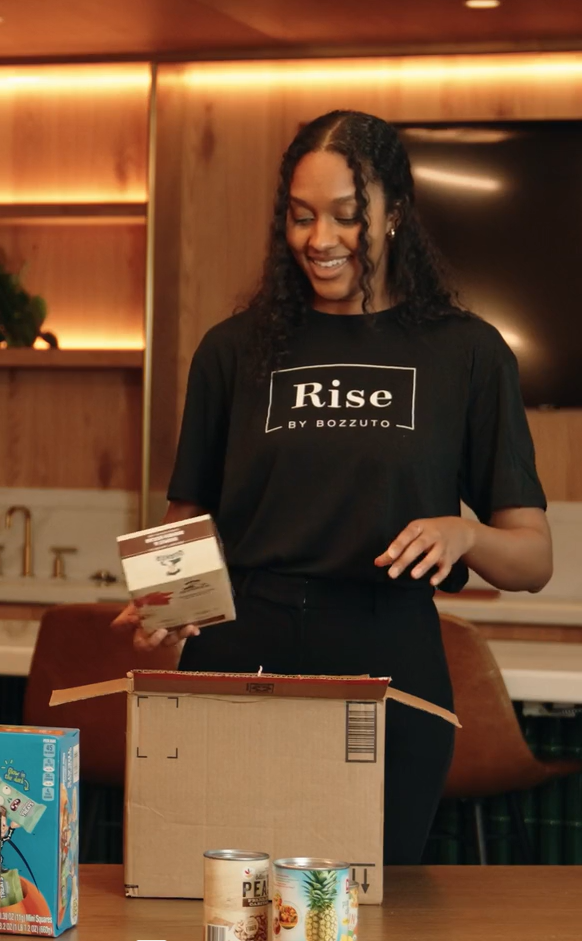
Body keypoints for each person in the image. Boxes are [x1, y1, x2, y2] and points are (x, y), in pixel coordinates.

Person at [115, 111, 552, 864]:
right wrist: (169, 604)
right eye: (300, 215)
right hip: (238, 653)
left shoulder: (466, 354)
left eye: (347, 216)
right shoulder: (232, 351)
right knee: (222, 898)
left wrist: (467, 535)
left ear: (396, 216)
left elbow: (532, 558)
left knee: (362, 902)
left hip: (389, 659)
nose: (319, 239)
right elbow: (188, 515)